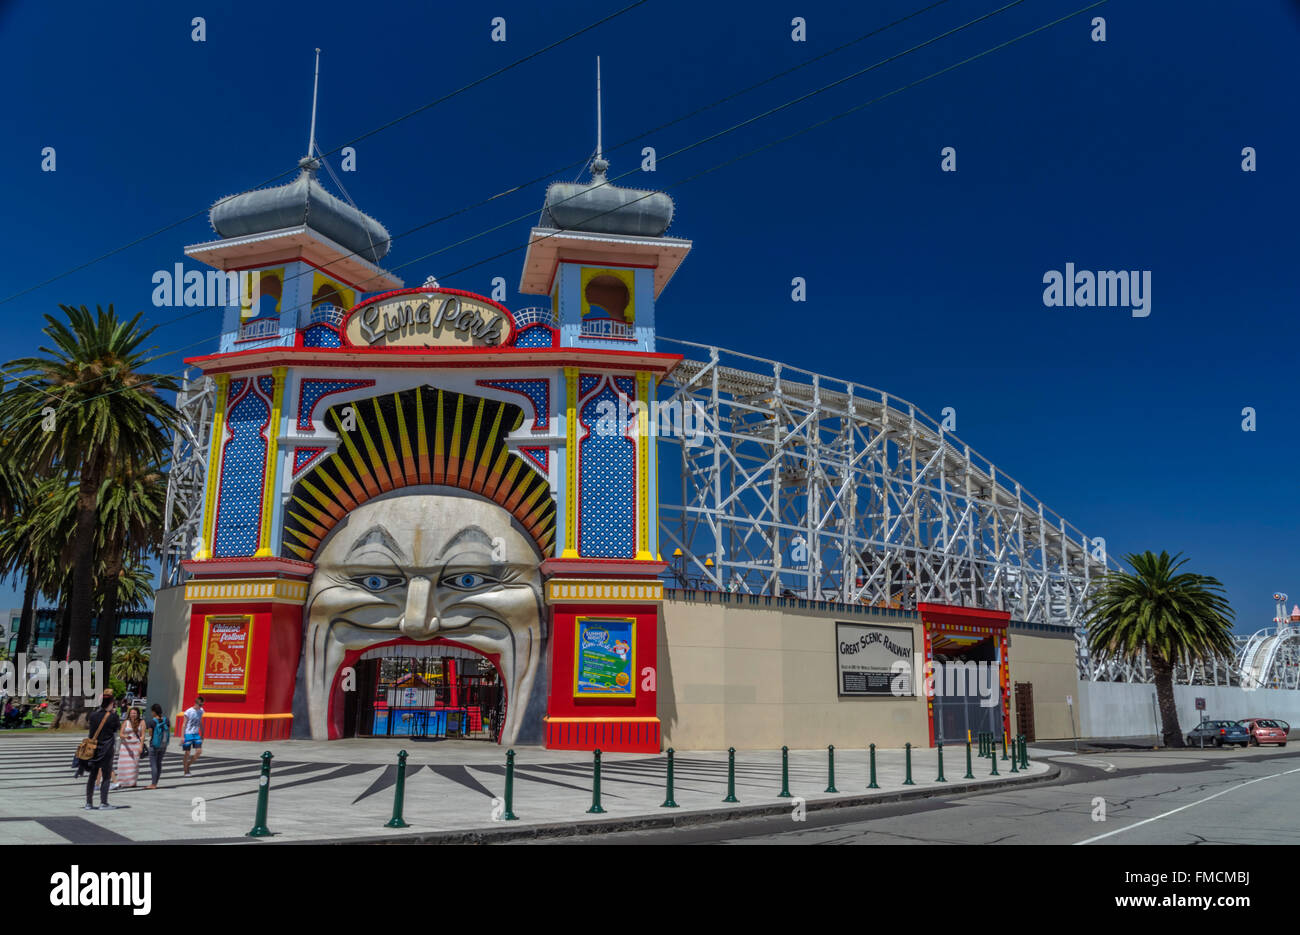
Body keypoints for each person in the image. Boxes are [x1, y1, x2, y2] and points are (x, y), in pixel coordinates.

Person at [83, 693, 120, 810]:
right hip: (107, 749)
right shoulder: (113, 716)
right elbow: (116, 728)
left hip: (94, 749)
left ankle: (88, 803)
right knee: (106, 775)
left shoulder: (93, 715)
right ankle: (103, 802)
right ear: (110, 703)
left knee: (92, 776)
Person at [111, 706, 146, 789]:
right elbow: (121, 734)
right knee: (123, 765)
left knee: (134, 765)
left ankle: (132, 782)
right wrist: (125, 736)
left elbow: (143, 735)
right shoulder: (126, 722)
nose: (133, 714)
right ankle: (122, 782)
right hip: (125, 747)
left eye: (135, 713)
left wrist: (141, 746)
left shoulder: (142, 722)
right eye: (131, 713)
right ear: (129, 714)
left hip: (135, 746)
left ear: (138, 714)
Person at [144, 703, 170, 789]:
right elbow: (168, 731)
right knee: (159, 763)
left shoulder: (152, 721)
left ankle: (153, 784)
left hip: (154, 745)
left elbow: (151, 734)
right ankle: (155, 783)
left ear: (154, 712)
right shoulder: (166, 720)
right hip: (163, 744)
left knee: (153, 765)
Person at [181, 696, 204, 775]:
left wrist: (203, 734)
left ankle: (187, 765)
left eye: (202, 705)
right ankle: (186, 770)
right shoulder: (188, 711)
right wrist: (182, 736)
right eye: (200, 705)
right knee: (187, 753)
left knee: (199, 751)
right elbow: (184, 724)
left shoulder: (201, 711)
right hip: (188, 734)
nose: (201, 707)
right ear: (196, 703)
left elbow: (200, 722)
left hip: (196, 734)